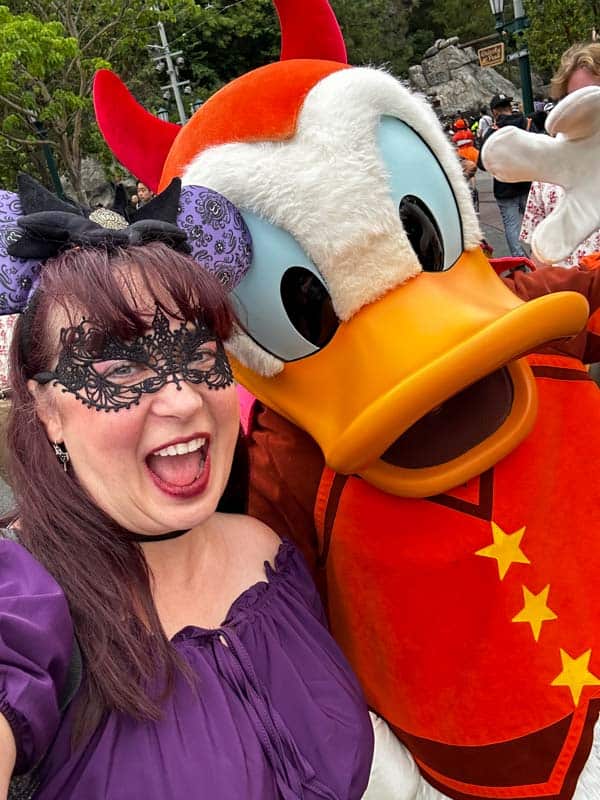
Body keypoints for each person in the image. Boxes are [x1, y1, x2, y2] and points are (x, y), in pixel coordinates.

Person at [0, 177, 390, 799]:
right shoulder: (21, 604)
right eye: (121, 367)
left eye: (199, 355)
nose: (184, 400)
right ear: (46, 411)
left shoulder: (267, 550)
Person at [520, 42, 600, 267]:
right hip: (566, 298)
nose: (582, 109)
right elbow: (539, 257)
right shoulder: (549, 170)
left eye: (593, 97)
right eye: (573, 99)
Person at [478, 93, 532, 257]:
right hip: (527, 183)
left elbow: (482, 163)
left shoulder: (492, 133)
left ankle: (520, 261)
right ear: (510, 107)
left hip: (504, 187)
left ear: (494, 112)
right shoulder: (526, 123)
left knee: (511, 226)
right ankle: (541, 254)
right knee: (535, 221)